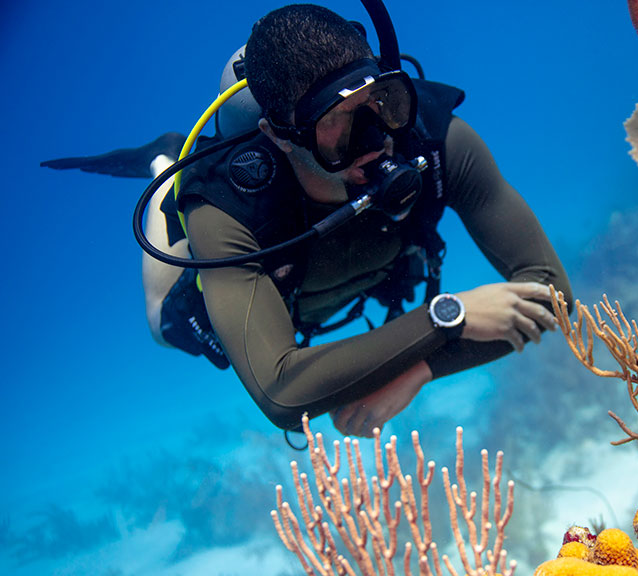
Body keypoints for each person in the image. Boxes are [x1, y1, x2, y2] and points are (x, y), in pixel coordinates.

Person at [45, 3, 572, 438]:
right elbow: (280, 393)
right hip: (242, 286)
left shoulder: (433, 142)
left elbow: (555, 296)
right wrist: (445, 317)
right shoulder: (229, 205)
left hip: (352, 289)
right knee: (165, 324)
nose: (376, 139)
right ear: (280, 133)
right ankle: (164, 164)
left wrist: (418, 370)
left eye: (381, 103)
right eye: (338, 122)